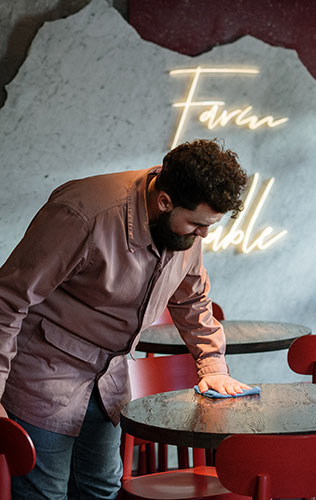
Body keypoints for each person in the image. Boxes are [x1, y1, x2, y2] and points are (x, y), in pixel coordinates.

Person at [0, 139, 253, 499]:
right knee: (46, 495)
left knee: (101, 489)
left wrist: (212, 364)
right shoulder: (82, 214)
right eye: (197, 224)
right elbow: (7, 300)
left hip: (109, 383)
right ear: (164, 201)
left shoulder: (185, 228)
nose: (204, 235)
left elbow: (192, 298)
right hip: (42, 375)